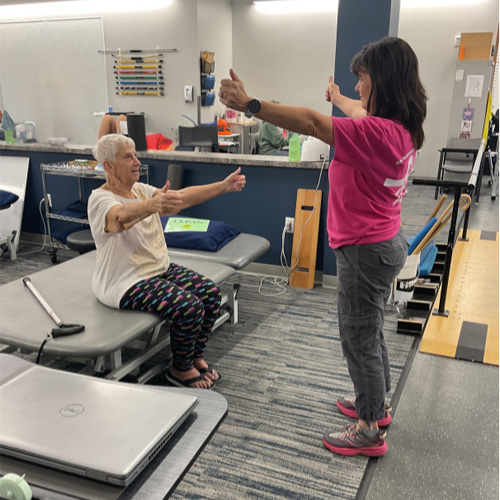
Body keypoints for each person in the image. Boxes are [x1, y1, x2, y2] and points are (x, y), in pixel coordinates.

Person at [219, 36, 427, 456]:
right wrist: (337, 96)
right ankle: (377, 405)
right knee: (370, 331)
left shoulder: (375, 133)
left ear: (384, 81)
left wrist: (251, 104)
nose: (358, 88)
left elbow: (314, 124)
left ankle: (369, 429)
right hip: (384, 241)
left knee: (359, 338)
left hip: (365, 250)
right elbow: (357, 111)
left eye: (363, 80)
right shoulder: (400, 127)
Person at [88, 133, 246, 389]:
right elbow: (119, 219)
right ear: (109, 165)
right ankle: (180, 370)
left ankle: (194, 356)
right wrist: (152, 206)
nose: (137, 161)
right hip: (124, 281)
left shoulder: (140, 190)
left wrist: (223, 186)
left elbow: (181, 198)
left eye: (135, 155)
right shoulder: (100, 199)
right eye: (128, 157)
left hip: (157, 270)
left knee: (210, 293)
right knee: (189, 307)